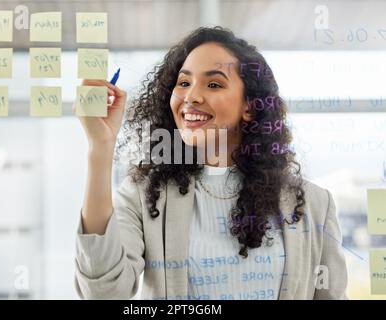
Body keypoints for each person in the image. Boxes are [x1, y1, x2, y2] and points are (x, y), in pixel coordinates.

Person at [73, 26, 348, 300]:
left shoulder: (314, 204)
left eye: (214, 84)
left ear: (249, 107)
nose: (191, 96)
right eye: (183, 83)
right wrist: (100, 147)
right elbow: (103, 293)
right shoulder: (144, 195)